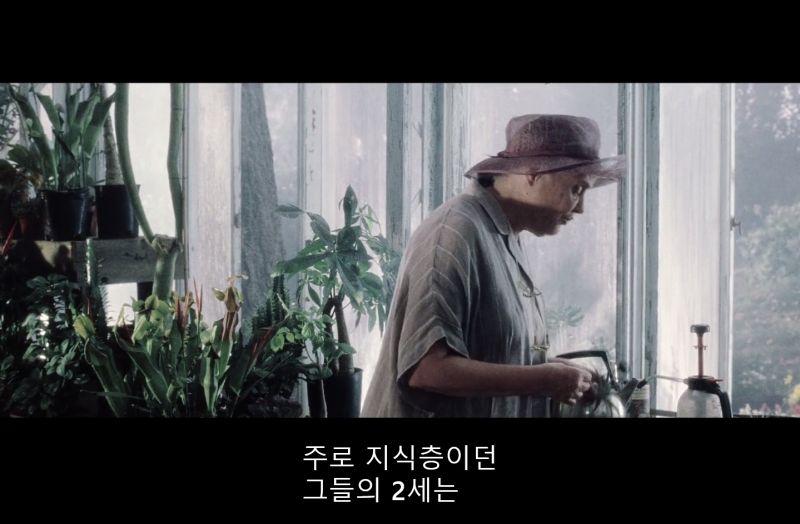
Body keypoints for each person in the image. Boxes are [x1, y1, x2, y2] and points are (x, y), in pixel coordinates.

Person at [362, 114, 625, 417]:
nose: (581, 209)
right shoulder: (455, 232)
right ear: (534, 172)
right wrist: (543, 379)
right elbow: (427, 370)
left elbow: (489, 350)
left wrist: (551, 369)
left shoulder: (503, 235)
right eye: (577, 189)